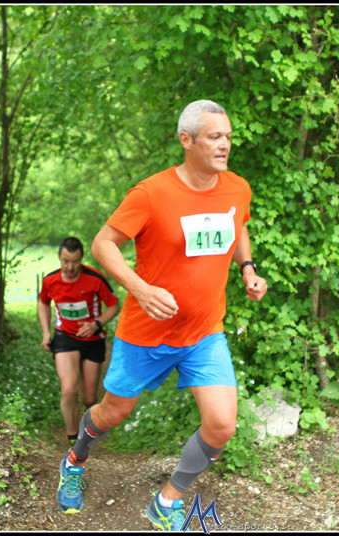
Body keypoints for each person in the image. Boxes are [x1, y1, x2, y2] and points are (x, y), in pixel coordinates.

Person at [56, 100, 268, 529]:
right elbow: (102, 244)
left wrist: (247, 267)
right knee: (111, 413)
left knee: (222, 425)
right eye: (215, 137)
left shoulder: (237, 187)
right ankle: (75, 459)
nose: (225, 145)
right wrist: (140, 287)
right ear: (186, 140)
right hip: (146, 334)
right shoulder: (152, 193)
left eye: (228, 136)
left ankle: (168, 499)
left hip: (204, 332)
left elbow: (238, 222)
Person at [38, 237, 120, 447]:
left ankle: (89, 426)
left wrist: (96, 324)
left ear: (81, 259)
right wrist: (46, 332)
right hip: (65, 337)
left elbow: (113, 306)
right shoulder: (50, 281)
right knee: (68, 390)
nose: (70, 267)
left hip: (92, 339)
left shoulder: (95, 279)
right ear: (59, 257)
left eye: (75, 261)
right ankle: (73, 439)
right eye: (66, 261)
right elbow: (43, 302)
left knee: (88, 397)